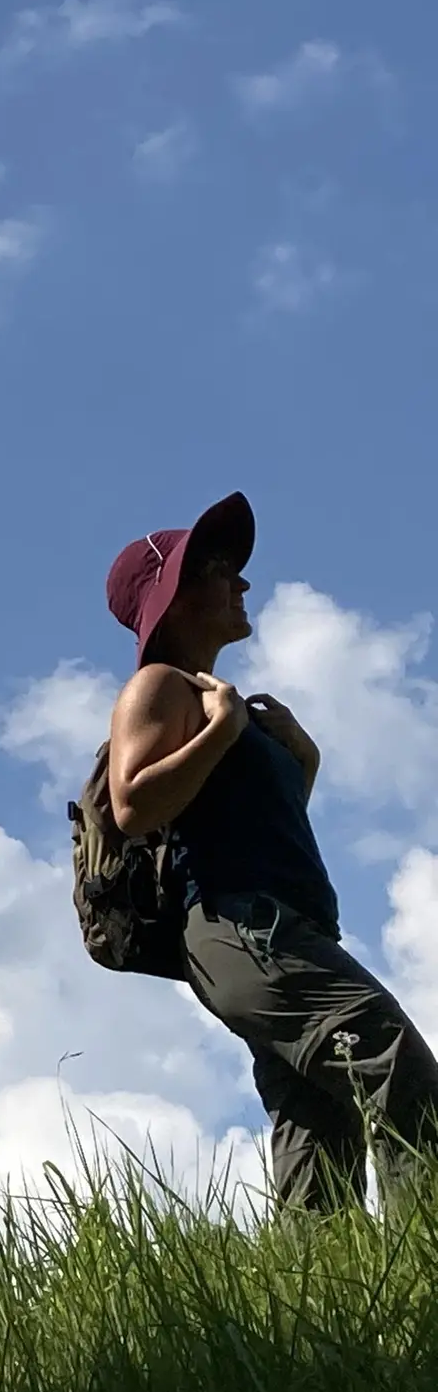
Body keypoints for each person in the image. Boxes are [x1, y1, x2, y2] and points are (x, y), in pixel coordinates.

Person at [104, 492, 438, 1212]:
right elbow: (132, 807)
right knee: (394, 1065)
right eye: (222, 569)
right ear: (175, 596)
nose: (244, 583)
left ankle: (334, 1308)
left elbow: (254, 825)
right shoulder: (159, 686)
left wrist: (302, 762)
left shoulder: (225, 704)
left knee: (321, 1128)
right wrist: (221, 733)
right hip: (243, 929)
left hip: (286, 928)